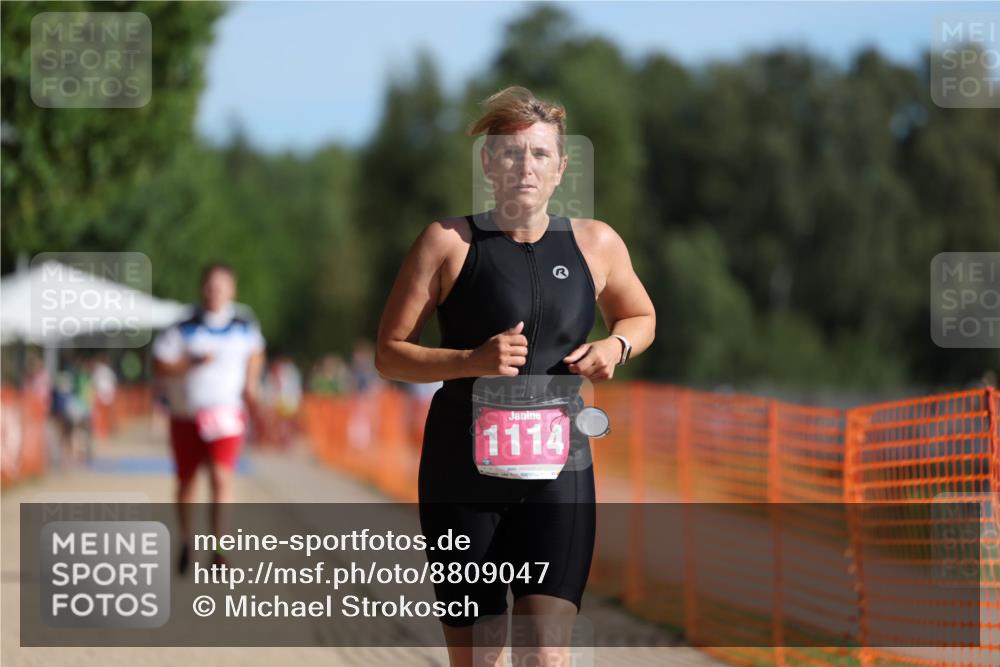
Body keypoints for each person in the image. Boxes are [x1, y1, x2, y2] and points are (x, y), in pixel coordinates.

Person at [375, 86, 656, 666]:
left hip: (559, 473)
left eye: (539, 155)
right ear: (487, 164)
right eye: (509, 153)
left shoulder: (595, 243)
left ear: (561, 168)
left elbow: (642, 314)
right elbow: (390, 353)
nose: (524, 167)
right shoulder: (448, 243)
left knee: (547, 657)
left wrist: (617, 346)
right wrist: (469, 362)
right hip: (462, 475)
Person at [152, 262, 265, 573]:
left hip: (226, 415)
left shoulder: (244, 323)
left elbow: (256, 352)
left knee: (220, 478)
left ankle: (219, 550)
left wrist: (251, 382)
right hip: (186, 415)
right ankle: (187, 540)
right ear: (202, 288)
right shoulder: (182, 325)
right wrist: (189, 363)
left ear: (232, 290)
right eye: (210, 285)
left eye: (221, 286)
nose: (215, 291)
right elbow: (160, 365)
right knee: (187, 482)